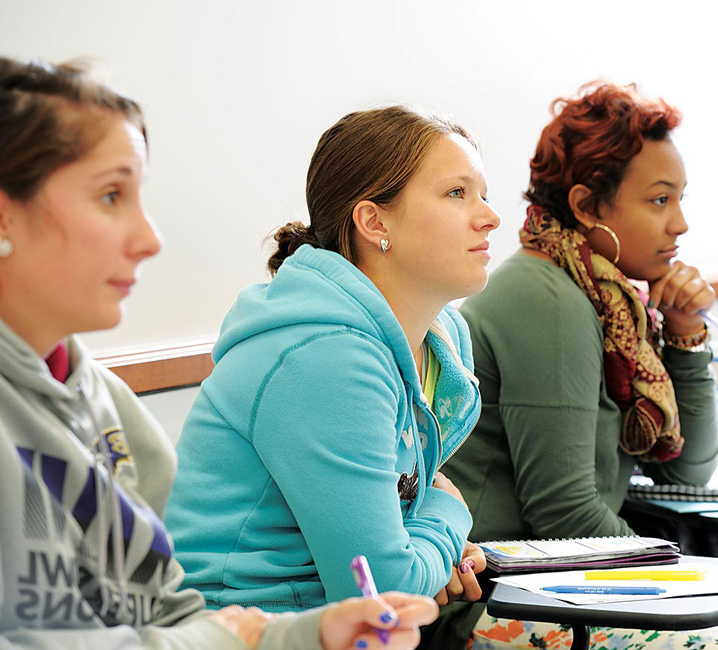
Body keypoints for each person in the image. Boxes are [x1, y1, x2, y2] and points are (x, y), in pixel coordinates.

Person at [0, 56, 436, 649]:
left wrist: (309, 634)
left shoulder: (104, 403)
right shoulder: (324, 353)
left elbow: (169, 612)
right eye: (109, 196)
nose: (149, 239)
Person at [428, 81, 718, 650]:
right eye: (658, 200)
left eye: (680, 200)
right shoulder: (548, 298)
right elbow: (565, 513)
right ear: (586, 206)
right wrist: (695, 582)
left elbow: (689, 469)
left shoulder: (614, 302)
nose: (680, 225)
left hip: (572, 582)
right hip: (497, 599)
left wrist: (687, 335)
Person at [165, 105, 499, 613]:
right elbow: (381, 593)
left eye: (483, 195)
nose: (489, 217)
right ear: (373, 220)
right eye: (457, 193)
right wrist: (448, 516)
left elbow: (391, 556)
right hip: (241, 630)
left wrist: (432, 547)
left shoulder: (440, 339)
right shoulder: (327, 357)